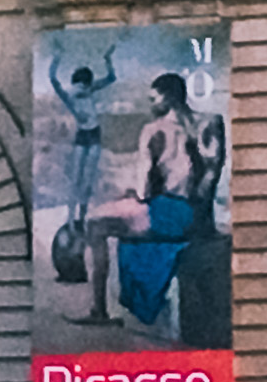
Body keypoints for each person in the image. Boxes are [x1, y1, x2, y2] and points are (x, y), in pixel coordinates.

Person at [77, 71, 228, 332]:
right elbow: (210, 177)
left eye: (154, 99)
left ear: (168, 97)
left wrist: (132, 194)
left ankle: (98, 311)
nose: (151, 105)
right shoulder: (211, 122)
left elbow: (144, 190)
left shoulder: (154, 130)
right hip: (201, 218)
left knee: (94, 222)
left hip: (169, 215)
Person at [50, 46, 119, 222]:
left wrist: (107, 59)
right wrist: (56, 60)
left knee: (87, 178)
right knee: (76, 178)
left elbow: (111, 78)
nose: (82, 89)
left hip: (93, 133)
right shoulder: (71, 93)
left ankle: (81, 215)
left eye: (85, 86)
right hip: (83, 135)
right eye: (80, 86)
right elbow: (53, 80)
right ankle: (71, 217)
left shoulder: (89, 88)